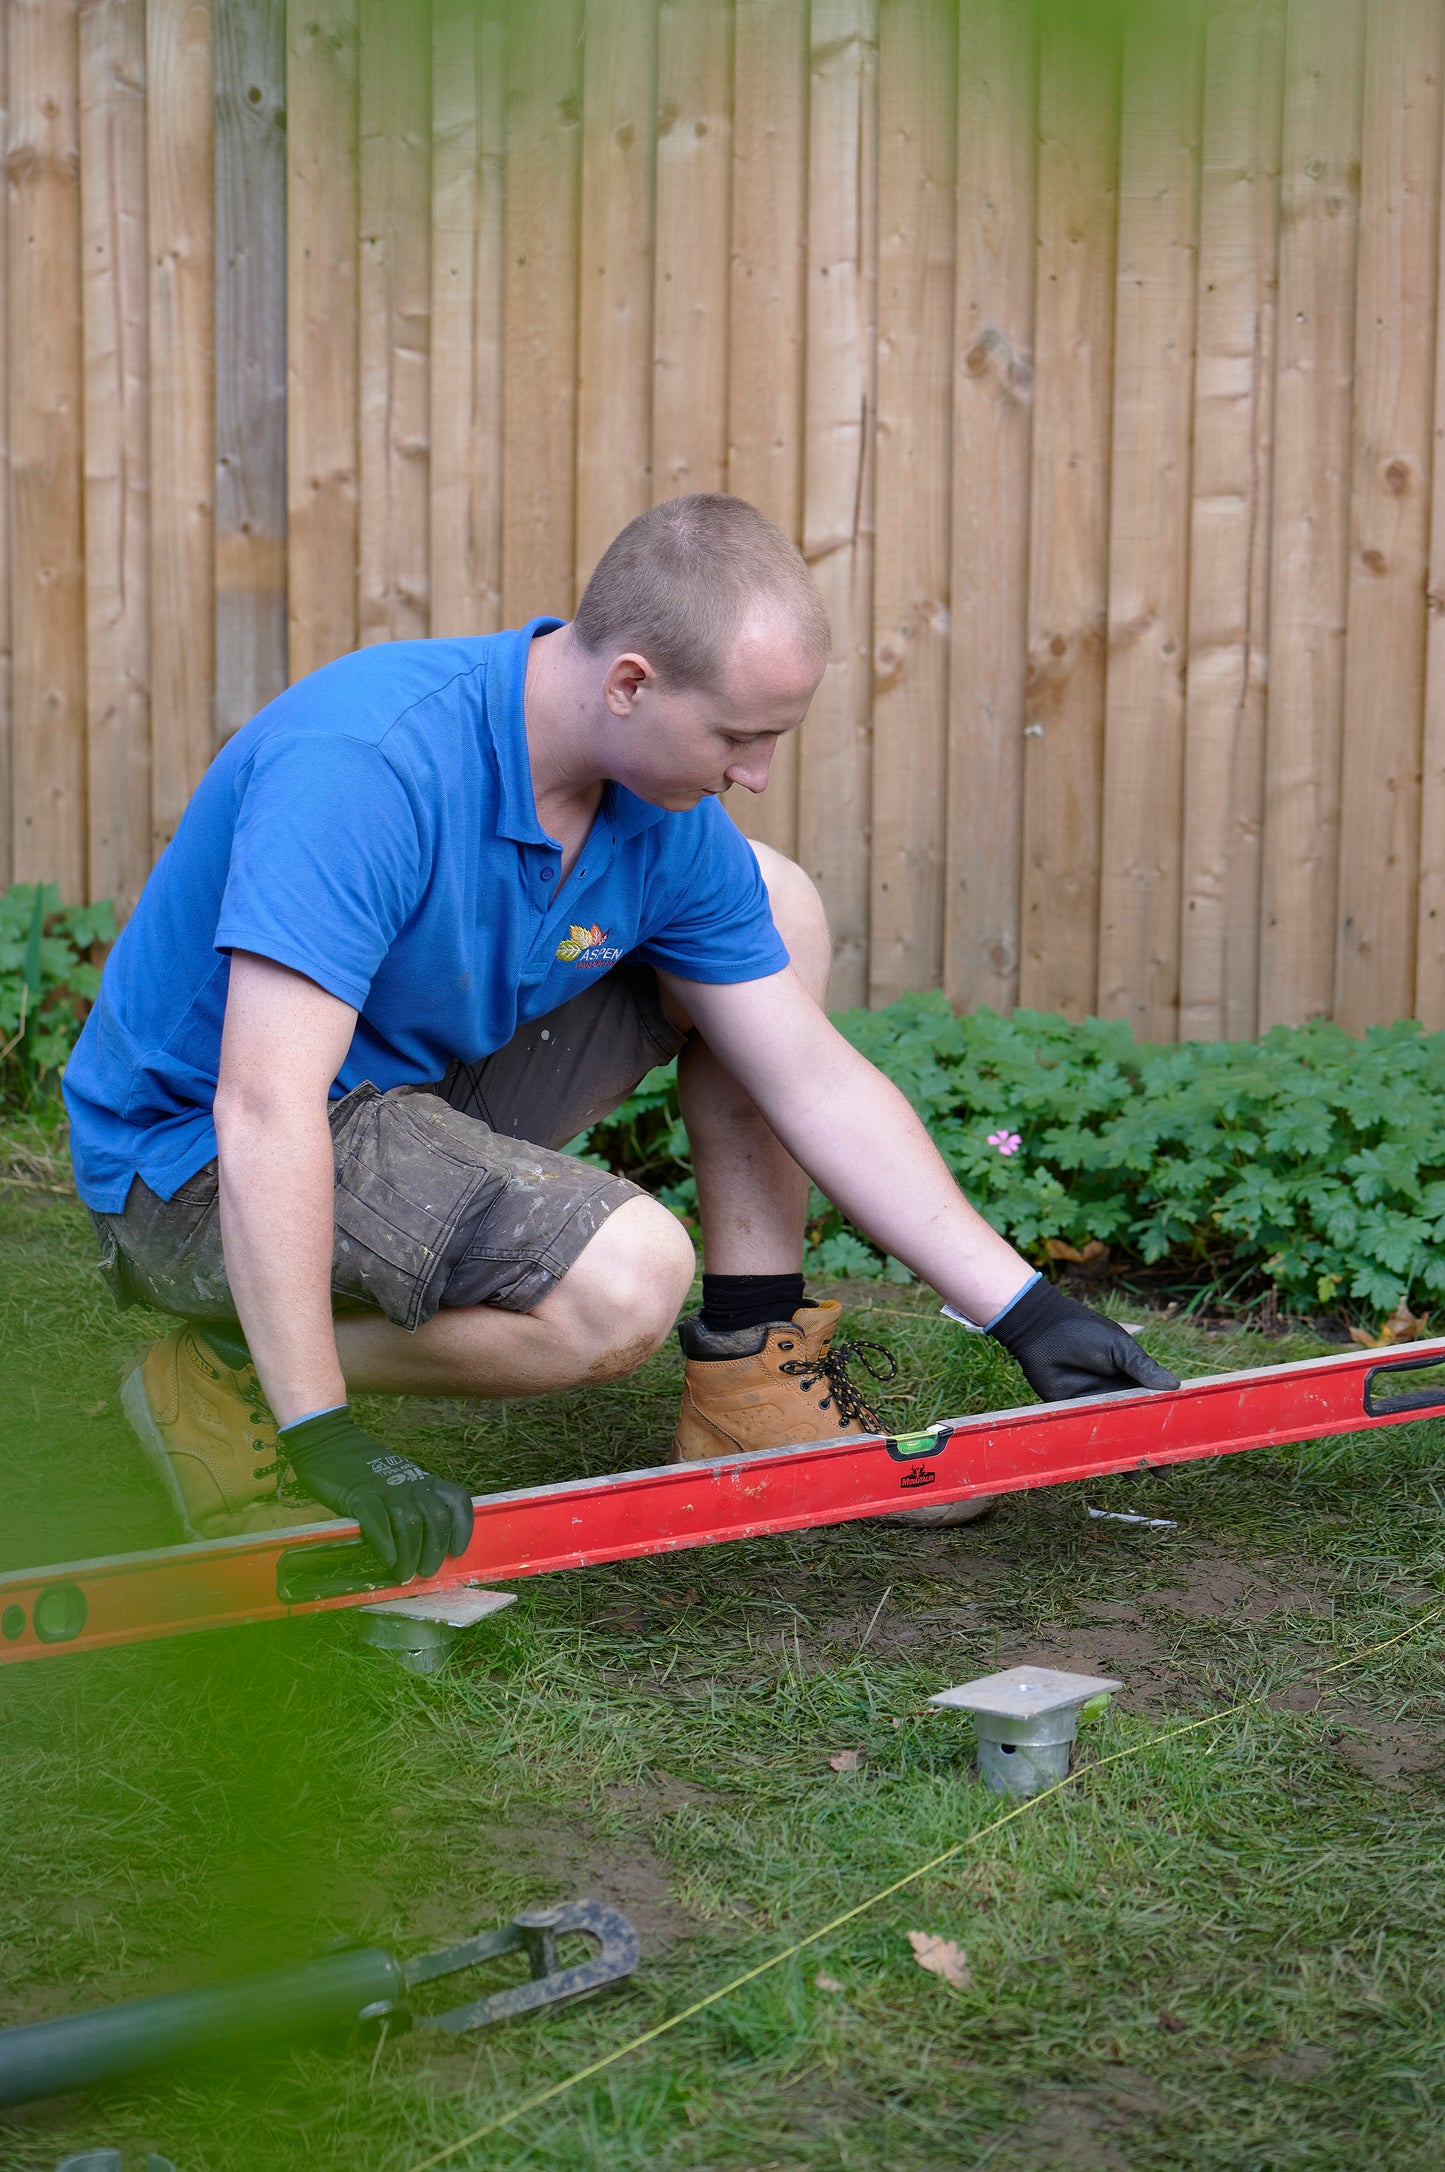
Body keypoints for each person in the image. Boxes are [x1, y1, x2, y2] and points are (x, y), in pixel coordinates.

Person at [64, 495, 1177, 1585]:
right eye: (738, 736)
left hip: (398, 1094)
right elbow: (261, 1106)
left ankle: (751, 1370)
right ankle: (232, 1381)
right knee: (622, 1283)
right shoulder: (369, 764)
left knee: (771, 904)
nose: (754, 773)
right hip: (198, 1166)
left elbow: (808, 1078)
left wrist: (1024, 1310)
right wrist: (326, 1437)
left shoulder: (653, 812)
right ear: (631, 682)